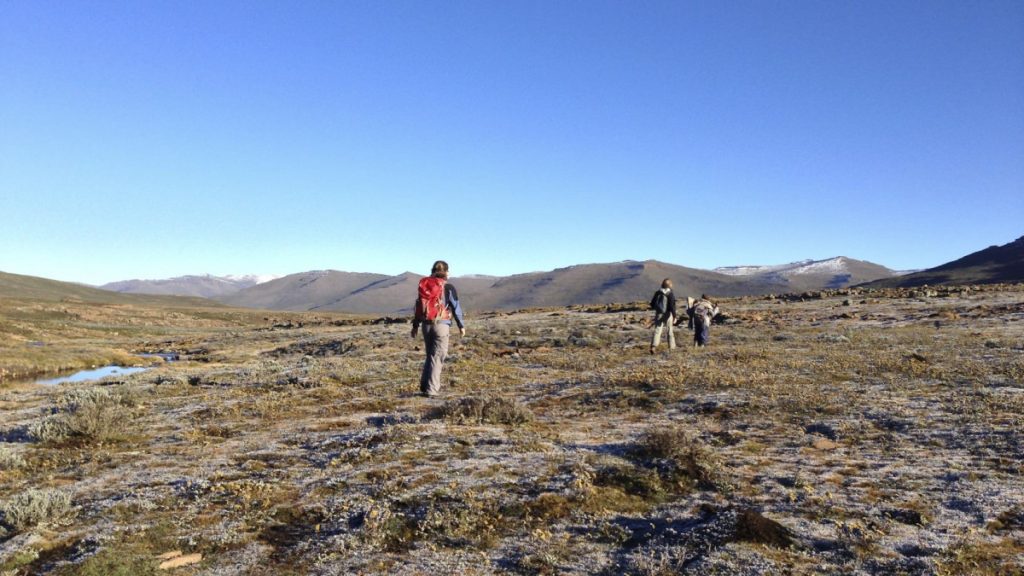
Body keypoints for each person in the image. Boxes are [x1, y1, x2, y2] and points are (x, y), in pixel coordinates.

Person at [411, 260, 466, 397]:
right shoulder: (448, 287)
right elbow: (455, 307)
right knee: (438, 356)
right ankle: (432, 390)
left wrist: (415, 325)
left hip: (426, 325)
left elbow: (419, 307)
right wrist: (461, 325)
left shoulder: (425, 286)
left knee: (430, 355)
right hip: (441, 325)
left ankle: (425, 386)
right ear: (446, 272)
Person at [649, 278, 677, 354]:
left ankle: (653, 346)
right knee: (669, 331)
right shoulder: (670, 293)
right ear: (669, 285)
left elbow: (652, 304)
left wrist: (658, 309)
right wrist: (674, 316)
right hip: (668, 314)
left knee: (657, 330)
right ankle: (672, 347)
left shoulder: (658, 292)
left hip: (659, 313)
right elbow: (672, 306)